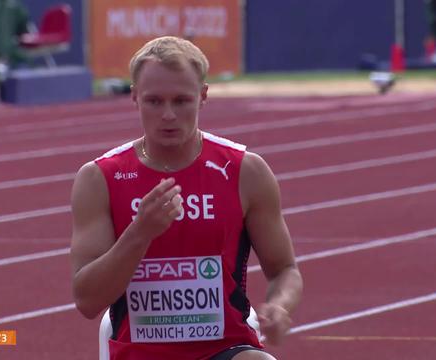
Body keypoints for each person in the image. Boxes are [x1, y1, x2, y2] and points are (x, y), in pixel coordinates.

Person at [70, 36, 302, 360]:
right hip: (138, 352)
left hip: (225, 348)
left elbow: (284, 269)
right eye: (154, 101)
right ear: (135, 97)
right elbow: (87, 300)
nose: (168, 115)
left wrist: (279, 306)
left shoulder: (244, 171)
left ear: (203, 96)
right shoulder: (100, 179)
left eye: (181, 101)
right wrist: (140, 232)